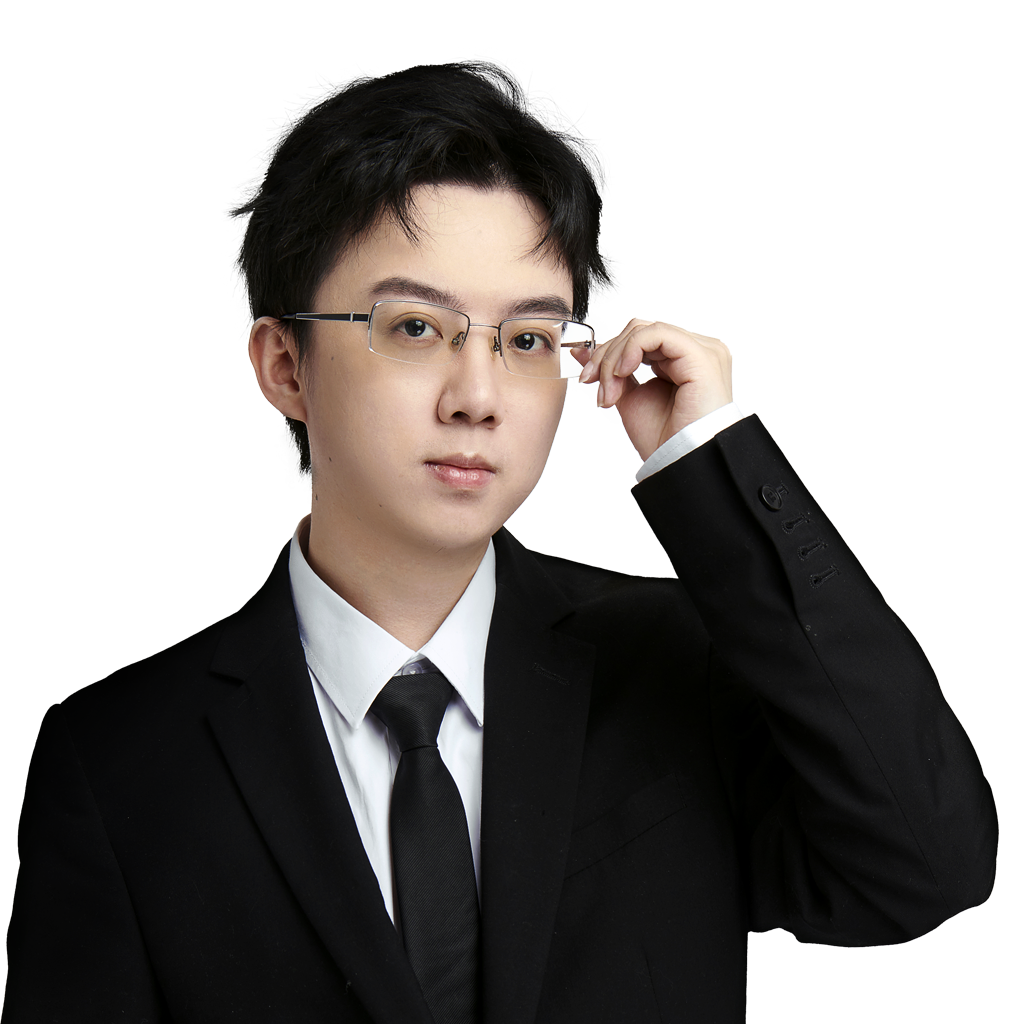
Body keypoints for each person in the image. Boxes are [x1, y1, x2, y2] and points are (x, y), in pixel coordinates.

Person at [3, 61, 996, 1024]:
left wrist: (707, 458)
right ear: (285, 366)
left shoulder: (674, 668)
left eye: (526, 340)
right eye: (413, 328)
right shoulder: (121, 762)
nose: (477, 398)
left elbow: (924, 863)